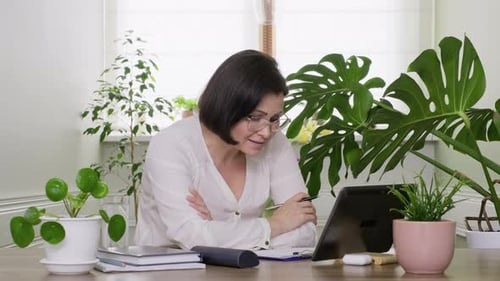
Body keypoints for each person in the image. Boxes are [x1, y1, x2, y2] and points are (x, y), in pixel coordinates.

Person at [135, 50, 317, 250]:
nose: (266, 132)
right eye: (255, 118)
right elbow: (190, 236)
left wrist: (215, 232)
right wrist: (277, 224)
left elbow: (305, 229)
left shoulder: (276, 143)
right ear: (227, 107)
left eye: (274, 119)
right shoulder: (171, 144)